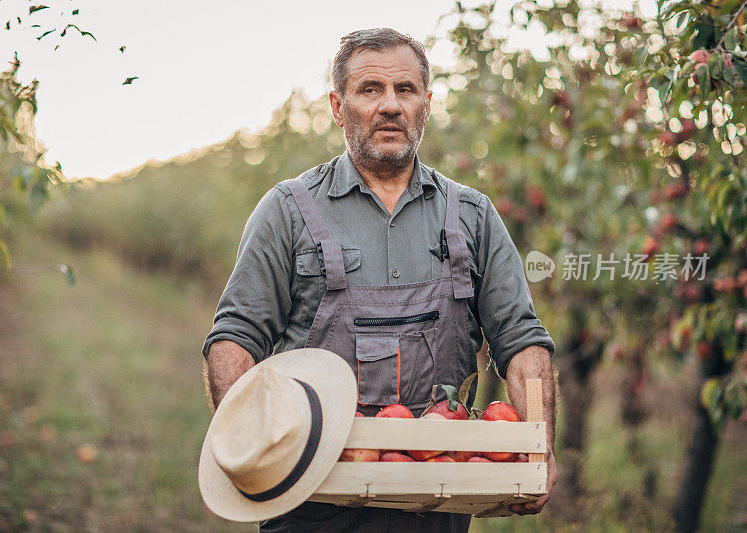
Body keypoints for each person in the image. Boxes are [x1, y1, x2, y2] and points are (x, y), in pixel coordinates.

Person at [202, 27, 558, 532]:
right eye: (370, 89)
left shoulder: (473, 217)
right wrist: (244, 445)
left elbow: (521, 339)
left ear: (426, 105)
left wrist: (539, 448)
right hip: (312, 501)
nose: (389, 105)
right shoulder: (287, 212)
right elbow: (236, 337)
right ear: (337, 105)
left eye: (405, 90)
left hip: (439, 496)